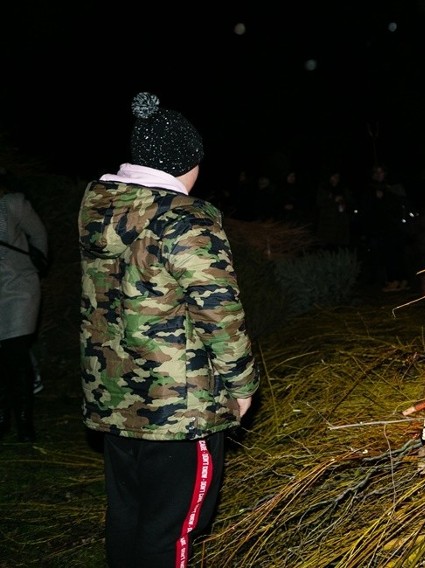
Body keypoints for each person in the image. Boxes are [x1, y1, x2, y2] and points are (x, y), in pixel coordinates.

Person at [77, 92, 259, 567]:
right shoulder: (185, 218)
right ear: (189, 161)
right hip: (180, 411)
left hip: (115, 401)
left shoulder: (98, 208)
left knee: (128, 521)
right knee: (172, 534)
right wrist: (241, 386)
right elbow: (220, 310)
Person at [0, 168, 48, 442]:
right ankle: (3, 416)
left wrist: (37, 266)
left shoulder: (13, 203)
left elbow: (39, 237)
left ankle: (24, 422)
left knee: (15, 352)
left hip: (19, 286)